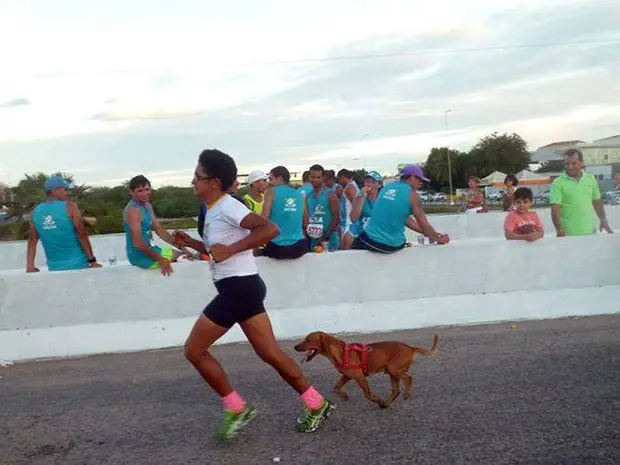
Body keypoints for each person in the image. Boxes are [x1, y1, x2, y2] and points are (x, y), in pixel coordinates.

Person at [173, 149, 335, 439]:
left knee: (194, 351)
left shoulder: (228, 207)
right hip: (243, 287)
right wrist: (193, 244)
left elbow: (269, 229)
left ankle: (236, 408)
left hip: (238, 288)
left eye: (198, 177)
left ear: (214, 181)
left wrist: (233, 249)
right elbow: (218, 252)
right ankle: (316, 402)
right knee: (270, 353)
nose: (193, 181)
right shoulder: (213, 210)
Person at [352, 165, 450, 253]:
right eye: (420, 180)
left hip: (371, 239)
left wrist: (435, 235)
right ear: (412, 177)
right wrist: (439, 238)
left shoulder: (387, 188)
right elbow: (423, 224)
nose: (421, 184)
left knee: (351, 250)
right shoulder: (413, 196)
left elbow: (407, 220)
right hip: (393, 245)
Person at [27, 176, 101, 272]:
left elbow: (32, 240)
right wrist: (92, 261)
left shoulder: (35, 212)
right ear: (55, 190)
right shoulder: (71, 207)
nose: (68, 193)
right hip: (78, 264)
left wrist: (30, 266)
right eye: (65, 190)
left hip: (54, 268)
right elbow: (82, 235)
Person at [123, 175, 187, 275]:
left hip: (152, 249)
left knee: (186, 255)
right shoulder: (132, 211)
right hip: (139, 256)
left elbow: (159, 230)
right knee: (183, 259)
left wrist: (182, 248)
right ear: (131, 192)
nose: (145, 193)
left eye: (147, 189)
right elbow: (138, 244)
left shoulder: (147, 206)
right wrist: (160, 259)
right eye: (140, 191)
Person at [550, 149, 613, 237]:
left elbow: (597, 203)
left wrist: (603, 220)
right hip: (568, 235)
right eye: (567, 164)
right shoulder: (557, 183)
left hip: (590, 233)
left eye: (574, 163)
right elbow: (554, 210)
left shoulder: (590, 179)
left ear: (581, 162)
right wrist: (559, 229)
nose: (570, 167)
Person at [260, 166, 308, 259]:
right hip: (298, 247)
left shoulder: (271, 192)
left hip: (277, 247)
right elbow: (305, 222)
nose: (269, 182)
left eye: (271, 178)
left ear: (280, 178)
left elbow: (264, 218)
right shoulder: (300, 195)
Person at [305, 164, 340, 252]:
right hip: (313, 239)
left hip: (329, 239)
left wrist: (326, 237)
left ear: (323, 177)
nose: (315, 180)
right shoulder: (308, 196)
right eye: (313, 177)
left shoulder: (330, 194)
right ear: (309, 177)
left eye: (318, 177)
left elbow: (336, 217)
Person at [343, 171, 382, 249]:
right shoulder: (359, 197)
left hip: (376, 229)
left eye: (373, 182)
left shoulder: (383, 199)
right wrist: (362, 198)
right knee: (348, 236)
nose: (369, 184)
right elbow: (353, 219)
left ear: (379, 185)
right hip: (361, 228)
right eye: (367, 182)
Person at [337, 168, 361, 249]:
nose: (339, 181)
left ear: (343, 177)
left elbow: (355, 203)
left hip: (348, 223)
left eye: (339, 179)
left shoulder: (350, 187)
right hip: (349, 222)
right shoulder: (354, 185)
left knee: (345, 252)